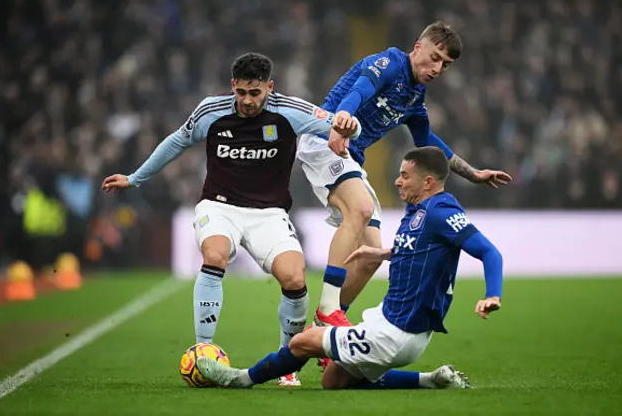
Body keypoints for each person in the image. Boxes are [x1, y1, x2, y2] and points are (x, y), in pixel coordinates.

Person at [101, 52, 361, 387]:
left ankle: (287, 364)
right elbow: (178, 141)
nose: (248, 101)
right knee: (215, 256)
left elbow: (339, 124)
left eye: (256, 93)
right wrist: (136, 177)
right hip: (219, 206)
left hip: (269, 213)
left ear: (270, 87)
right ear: (232, 86)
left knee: (295, 279)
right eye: (241, 93)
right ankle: (204, 350)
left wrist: (348, 125)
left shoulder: (291, 111)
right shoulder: (212, 110)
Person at [196, 146, 503, 390]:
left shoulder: (441, 210)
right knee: (335, 380)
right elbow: (425, 252)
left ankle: (238, 378)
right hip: (398, 326)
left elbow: (490, 252)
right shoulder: (420, 211)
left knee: (303, 341)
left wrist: (492, 294)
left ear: (428, 182)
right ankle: (432, 379)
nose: (397, 181)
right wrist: (383, 253)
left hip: (397, 333)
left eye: (405, 175)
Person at [297, 21, 511, 344]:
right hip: (323, 139)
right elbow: (358, 91)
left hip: (348, 156)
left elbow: (430, 143)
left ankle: (320, 329)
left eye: (446, 64)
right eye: (435, 57)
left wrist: (474, 174)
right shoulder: (388, 63)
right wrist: (339, 125)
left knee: (369, 254)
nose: (437, 68)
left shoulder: (414, 97)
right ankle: (328, 307)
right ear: (418, 47)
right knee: (362, 208)